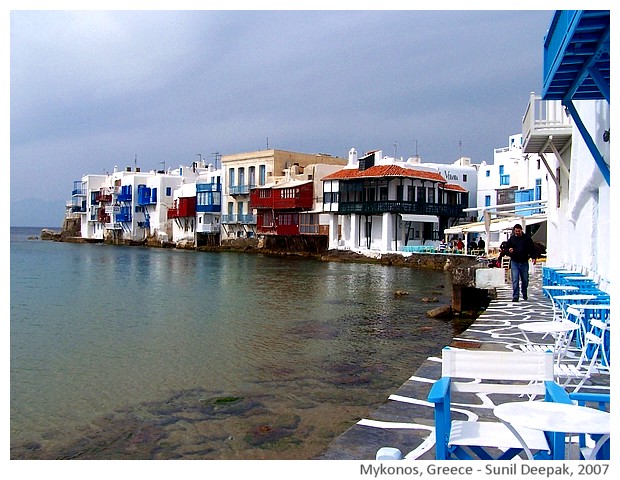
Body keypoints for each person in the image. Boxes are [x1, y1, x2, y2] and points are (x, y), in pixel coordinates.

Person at [505, 223, 537, 301]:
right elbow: (506, 248)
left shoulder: (527, 238)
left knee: (525, 279)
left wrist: (533, 257)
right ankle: (515, 296)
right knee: (515, 279)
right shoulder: (512, 239)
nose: (517, 233)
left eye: (518, 231)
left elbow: (532, 248)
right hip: (514, 262)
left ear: (521, 230)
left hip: (524, 262)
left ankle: (524, 292)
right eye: (516, 231)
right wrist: (509, 250)